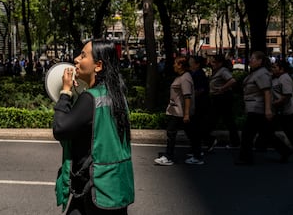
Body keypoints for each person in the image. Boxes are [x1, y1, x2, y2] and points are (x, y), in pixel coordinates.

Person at [53, 39, 134, 214]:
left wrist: (65, 92)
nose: (76, 59)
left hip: (95, 189)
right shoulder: (115, 94)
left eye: (83, 55)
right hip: (114, 186)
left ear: (98, 66)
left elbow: (60, 129)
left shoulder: (90, 98)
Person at [235, 51, 292, 165]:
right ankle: (285, 151)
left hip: (258, 108)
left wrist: (267, 110)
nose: (250, 60)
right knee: (267, 133)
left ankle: (246, 158)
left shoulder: (262, 73)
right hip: (255, 107)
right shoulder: (256, 72)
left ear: (260, 61)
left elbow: (266, 92)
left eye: (253, 59)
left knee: (247, 133)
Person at [154, 56, 197, 165]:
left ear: (181, 65)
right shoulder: (182, 76)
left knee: (171, 132)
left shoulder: (185, 78)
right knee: (191, 133)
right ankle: (197, 154)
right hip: (178, 110)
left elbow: (187, 96)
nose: (174, 65)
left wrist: (186, 114)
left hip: (180, 112)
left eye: (176, 63)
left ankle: (169, 156)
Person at [272, 60, 293, 154]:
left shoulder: (284, 78)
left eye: (275, 67)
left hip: (287, 109)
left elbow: (287, 95)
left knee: (291, 130)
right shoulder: (276, 78)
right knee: (290, 130)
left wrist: (275, 103)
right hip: (281, 109)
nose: (273, 69)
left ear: (282, 69)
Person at [209, 54, 240, 150]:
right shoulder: (216, 71)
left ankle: (209, 140)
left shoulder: (223, 71)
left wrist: (222, 88)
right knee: (224, 120)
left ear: (220, 63)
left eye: (214, 62)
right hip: (218, 98)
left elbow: (232, 81)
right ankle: (209, 139)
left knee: (225, 120)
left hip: (223, 98)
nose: (211, 63)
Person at [189, 56, 212, 159]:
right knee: (196, 126)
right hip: (199, 103)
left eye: (191, 62)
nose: (189, 64)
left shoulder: (199, 74)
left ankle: (201, 147)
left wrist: (189, 96)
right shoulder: (194, 74)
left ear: (197, 64)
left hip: (200, 104)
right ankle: (203, 144)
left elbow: (201, 90)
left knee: (196, 126)